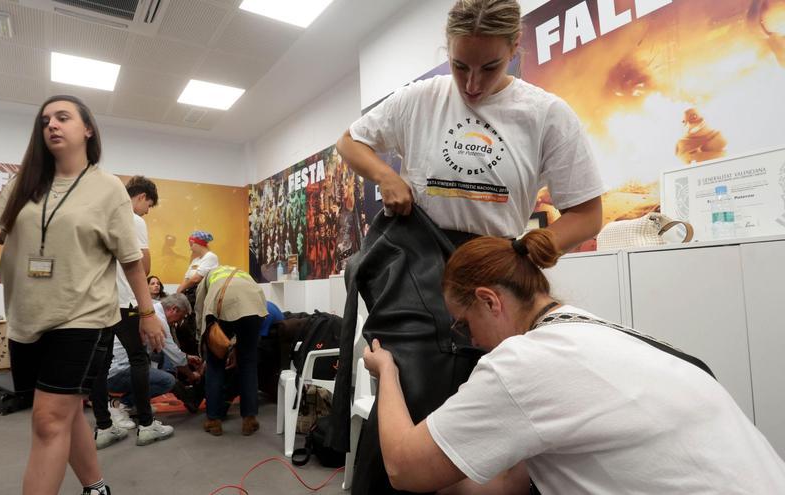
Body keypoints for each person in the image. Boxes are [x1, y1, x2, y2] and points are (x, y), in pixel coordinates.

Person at [363, 229, 785, 494]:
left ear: (489, 301)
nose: (469, 339)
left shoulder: (525, 361)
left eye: (464, 324)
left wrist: (388, 372)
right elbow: (506, 481)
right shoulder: (598, 332)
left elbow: (403, 467)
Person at [0, 95, 165, 495]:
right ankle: (97, 486)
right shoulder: (26, 182)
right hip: (26, 316)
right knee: (66, 412)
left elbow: (129, 260)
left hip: (83, 317)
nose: (51, 125)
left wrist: (147, 313)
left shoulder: (108, 189)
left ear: (87, 129)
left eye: (62, 117)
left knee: (48, 420)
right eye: (44, 121)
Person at [336, 0, 604, 251]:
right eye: (460, 66)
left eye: (489, 68)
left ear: (514, 46)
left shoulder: (547, 114)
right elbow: (349, 141)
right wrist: (386, 177)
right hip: (418, 266)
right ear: (448, 47)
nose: (472, 85)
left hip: (494, 262)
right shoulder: (419, 99)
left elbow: (587, 215)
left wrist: (528, 253)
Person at [89, 175, 176, 450]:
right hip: (126, 302)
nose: (147, 211)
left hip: (100, 301)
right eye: (148, 204)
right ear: (141, 197)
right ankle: (147, 426)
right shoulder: (133, 219)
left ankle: (103, 427)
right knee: (139, 359)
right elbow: (143, 266)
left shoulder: (100, 216)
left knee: (99, 367)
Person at [106, 293, 197, 441]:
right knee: (167, 381)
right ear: (174, 309)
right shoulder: (157, 319)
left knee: (153, 365)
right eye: (181, 317)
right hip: (118, 371)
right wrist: (193, 376)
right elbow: (175, 356)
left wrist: (186, 357)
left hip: (113, 368)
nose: (179, 322)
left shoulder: (153, 307)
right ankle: (120, 405)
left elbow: (170, 351)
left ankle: (131, 403)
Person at [194, 265, 268, 436]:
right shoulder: (243, 274)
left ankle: (214, 421)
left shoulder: (208, 278)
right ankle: (249, 420)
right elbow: (242, 310)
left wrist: (202, 337)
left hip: (222, 302)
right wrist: (236, 345)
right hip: (255, 305)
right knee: (248, 364)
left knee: (215, 365)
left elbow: (200, 309)